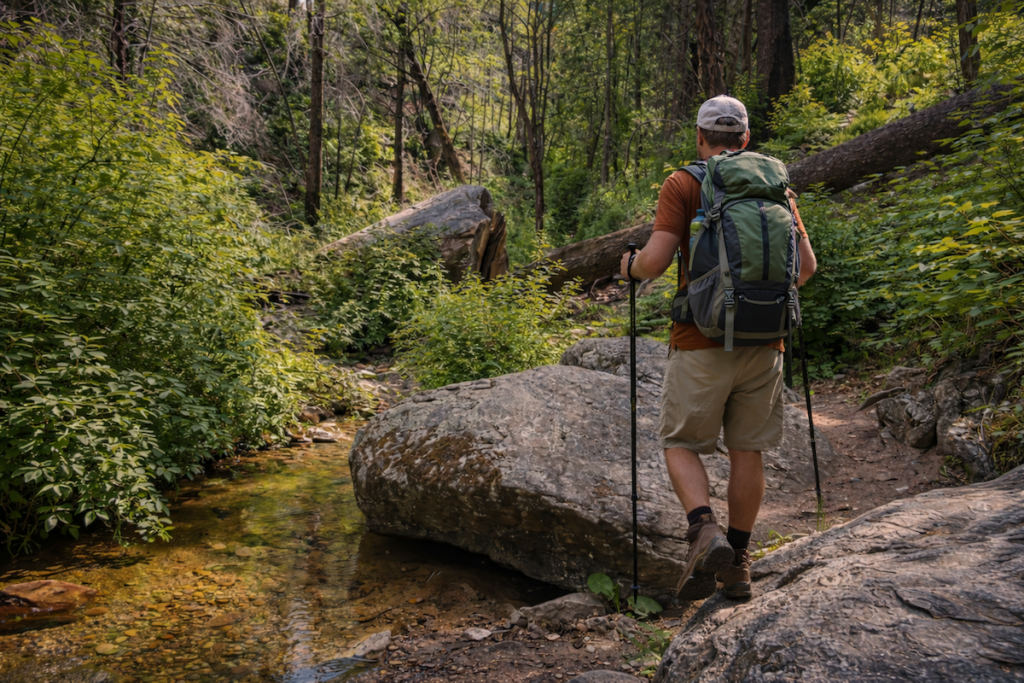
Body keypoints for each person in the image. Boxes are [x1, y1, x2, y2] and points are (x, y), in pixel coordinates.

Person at [619, 95, 817, 601]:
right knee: (747, 450)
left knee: (681, 441)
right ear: (745, 138)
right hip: (765, 341)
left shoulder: (684, 182)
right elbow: (806, 269)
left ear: (701, 137)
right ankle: (739, 565)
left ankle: (703, 529)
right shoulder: (776, 187)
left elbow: (656, 262)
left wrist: (629, 266)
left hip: (701, 338)